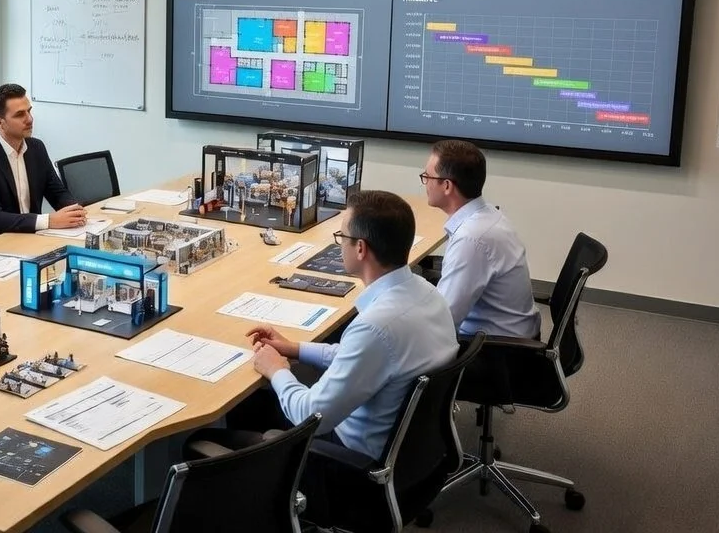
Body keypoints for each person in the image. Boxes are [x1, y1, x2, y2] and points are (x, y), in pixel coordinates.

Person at [188, 190, 457, 527]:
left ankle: (261, 506)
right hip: (412, 457)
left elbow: (309, 414)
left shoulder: (376, 327)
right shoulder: (427, 294)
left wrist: (277, 370)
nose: (338, 244)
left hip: (354, 468)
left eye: (342, 237)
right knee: (258, 402)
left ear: (361, 249)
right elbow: (359, 356)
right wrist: (296, 349)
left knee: (209, 438)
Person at [421, 140, 540, 339]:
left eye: (427, 176)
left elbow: (443, 322)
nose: (425, 182)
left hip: (497, 352)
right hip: (506, 334)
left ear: (447, 186)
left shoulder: (472, 239)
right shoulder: (488, 215)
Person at [0, 83, 84, 239]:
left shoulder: (36, 148)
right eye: (20, 114)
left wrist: (74, 211)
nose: (29, 119)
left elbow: (57, 192)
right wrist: (49, 220)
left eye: (29, 111)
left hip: (31, 236)